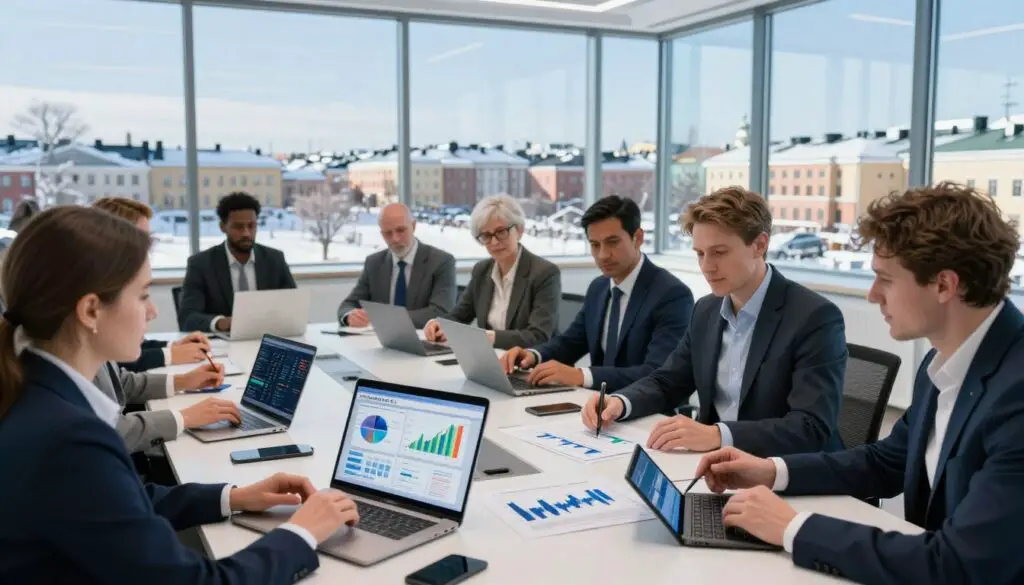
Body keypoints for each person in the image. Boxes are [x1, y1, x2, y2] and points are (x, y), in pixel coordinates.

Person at [0, 206, 359, 584]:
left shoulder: (35, 395)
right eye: (141, 296)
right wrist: (302, 533)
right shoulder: (69, 439)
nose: (153, 311)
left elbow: (122, 504)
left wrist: (233, 496)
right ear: (91, 310)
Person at [692, 183, 1024, 585]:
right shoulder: (945, 363)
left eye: (885, 279)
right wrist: (771, 471)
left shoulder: (1015, 396)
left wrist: (793, 528)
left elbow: (957, 565)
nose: (872, 295)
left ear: (944, 285)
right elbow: (886, 462)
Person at [583, 187, 846, 456]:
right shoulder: (707, 310)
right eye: (700, 253)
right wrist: (620, 402)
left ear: (760, 245)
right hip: (717, 467)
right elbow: (668, 381)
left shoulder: (814, 317)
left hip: (784, 472)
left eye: (719, 252)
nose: (707, 267)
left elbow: (810, 427)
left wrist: (718, 434)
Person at [500, 195, 693, 391]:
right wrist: (532, 355)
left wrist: (581, 375)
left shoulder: (672, 295)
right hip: (595, 406)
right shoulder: (599, 287)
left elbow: (656, 373)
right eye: (595, 245)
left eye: (612, 242)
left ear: (638, 238)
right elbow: (570, 343)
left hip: (647, 413)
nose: (603, 255)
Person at [423, 195, 561, 350]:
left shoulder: (545, 273)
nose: (494, 242)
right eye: (486, 236)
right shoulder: (482, 270)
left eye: (501, 231)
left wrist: (489, 337)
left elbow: (538, 336)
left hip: (532, 365)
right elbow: (459, 316)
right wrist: (438, 324)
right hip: (491, 360)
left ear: (519, 230)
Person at [92, 197, 212, 372]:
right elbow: (115, 359)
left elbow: (125, 343)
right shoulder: (98, 283)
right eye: (142, 238)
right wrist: (170, 355)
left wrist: (172, 345)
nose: (148, 246)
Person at [178, 192, 297, 333]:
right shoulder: (201, 264)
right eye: (238, 227)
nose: (246, 233)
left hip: (266, 340)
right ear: (223, 227)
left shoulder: (274, 259)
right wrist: (222, 323)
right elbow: (187, 318)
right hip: (222, 346)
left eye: (251, 226)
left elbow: (293, 309)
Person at [337, 203, 456, 329]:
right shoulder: (374, 263)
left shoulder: (441, 262)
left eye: (400, 230)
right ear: (381, 234)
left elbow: (441, 312)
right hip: (379, 343)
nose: (395, 239)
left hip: (423, 341)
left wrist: (388, 320)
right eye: (388, 233)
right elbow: (348, 304)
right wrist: (349, 316)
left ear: (413, 226)